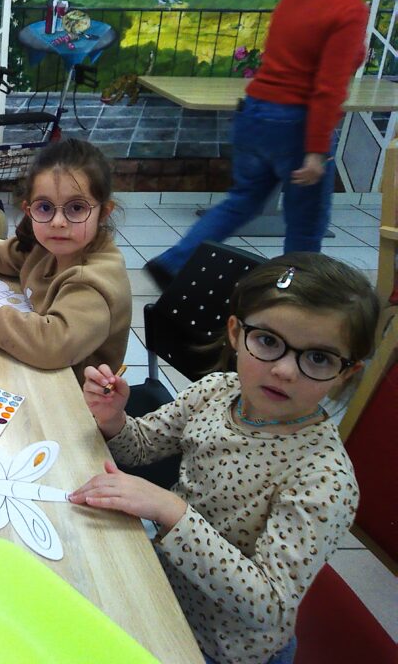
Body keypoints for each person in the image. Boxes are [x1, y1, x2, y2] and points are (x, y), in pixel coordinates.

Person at [70, 252, 379, 664]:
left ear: (346, 373)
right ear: (236, 333)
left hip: (220, 648)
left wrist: (171, 510)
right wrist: (114, 419)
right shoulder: (216, 391)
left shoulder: (324, 480)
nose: (285, 370)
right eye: (268, 341)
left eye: (318, 357)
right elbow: (140, 446)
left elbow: (269, 606)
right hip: (164, 590)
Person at [145, 0, 389, 290]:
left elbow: (295, 58)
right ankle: (295, 294)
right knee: (307, 224)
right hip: (297, 124)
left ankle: (173, 263)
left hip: (255, 113)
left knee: (242, 201)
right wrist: (315, 151)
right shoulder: (349, 8)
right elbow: (328, 86)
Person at [0, 138, 131, 382]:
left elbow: (52, 345)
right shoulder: (44, 247)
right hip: (37, 375)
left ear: (103, 213)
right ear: (29, 210)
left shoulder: (93, 280)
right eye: (45, 208)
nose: (58, 222)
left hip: (76, 396)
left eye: (76, 208)